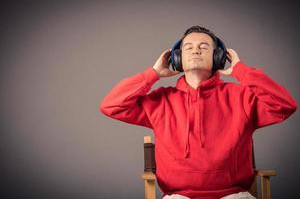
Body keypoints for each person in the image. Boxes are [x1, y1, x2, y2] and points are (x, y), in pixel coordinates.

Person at [100, 26, 297, 199]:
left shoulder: (242, 97)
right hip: (178, 196)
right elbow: (111, 105)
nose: (195, 50)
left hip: (233, 194)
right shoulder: (161, 100)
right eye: (188, 47)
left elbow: (285, 105)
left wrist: (242, 72)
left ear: (218, 57)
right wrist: (152, 74)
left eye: (204, 46)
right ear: (177, 59)